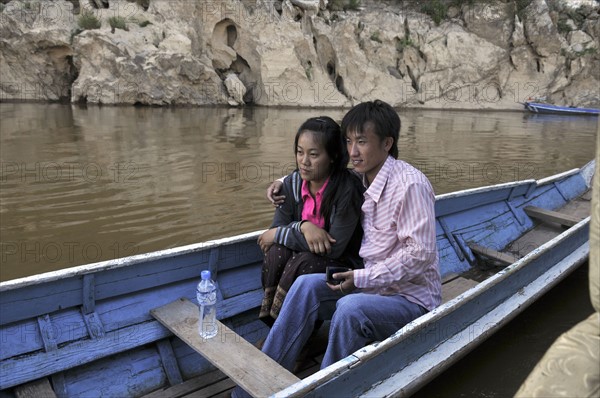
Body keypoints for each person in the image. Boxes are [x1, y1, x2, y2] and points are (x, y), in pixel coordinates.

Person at [232, 100, 441, 397]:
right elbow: (316, 172)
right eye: (349, 141)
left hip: (409, 300)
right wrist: (281, 182)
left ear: (387, 143)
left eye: (362, 142)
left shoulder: (410, 185)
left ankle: (324, 390)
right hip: (370, 286)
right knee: (305, 286)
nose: (352, 151)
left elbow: (419, 256)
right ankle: (255, 388)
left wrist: (361, 278)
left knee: (349, 309)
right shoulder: (362, 175)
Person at [257, 116, 364, 326]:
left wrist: (280, 233)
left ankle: (294, 333)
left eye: (313, 154)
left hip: (345, 265)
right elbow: (275, 232)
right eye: (299, 152)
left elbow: (334, 248)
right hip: (303, 258)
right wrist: (303, 226)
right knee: (276, 254)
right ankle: (278, 327)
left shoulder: (346, 190)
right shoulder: (291, 184)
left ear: (332, 156)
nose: (304, 161)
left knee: (303, 262)